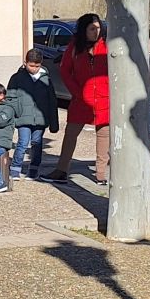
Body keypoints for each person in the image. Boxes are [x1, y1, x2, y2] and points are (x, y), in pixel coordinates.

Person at [46, 14, 110, 185]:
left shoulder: (107, 45)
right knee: (71, 134)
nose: (96, 32)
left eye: (98, 28)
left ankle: (101, 173)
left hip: (104, 99)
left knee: (104, 135)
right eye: (92, 28)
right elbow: (65, 70)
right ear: (84, 30)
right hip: (81, 98)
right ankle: (61, 170)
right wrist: (76, 91)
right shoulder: (75, 46)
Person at [6, 49, 59, 179]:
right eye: (31, 65)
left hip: (40, 118)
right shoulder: (17, 78)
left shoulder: (46, 79)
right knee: (23, 142)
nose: (34, 69)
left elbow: (52, 101)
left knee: (37, 143)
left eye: (37, 66)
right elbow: (10, 98)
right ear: (25, 63)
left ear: (41, 64)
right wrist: (16, 113)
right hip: (23, 117)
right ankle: (15, 169)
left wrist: (54, 123)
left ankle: (34, 169)